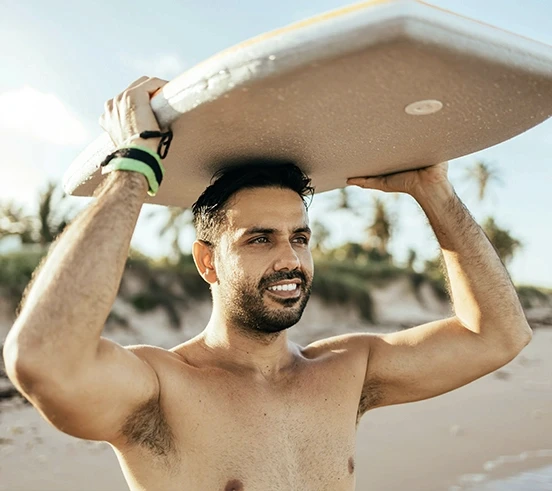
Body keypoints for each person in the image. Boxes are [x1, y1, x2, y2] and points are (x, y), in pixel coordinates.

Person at [3, 76, 532, 491]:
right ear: (208, 263)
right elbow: (42, 358)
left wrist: (432, 189)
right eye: (259, 239)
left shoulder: (346, 371)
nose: (290, 260)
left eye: (299, 237)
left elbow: (500, 336)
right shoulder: (162, 390)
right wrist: (135, 165)